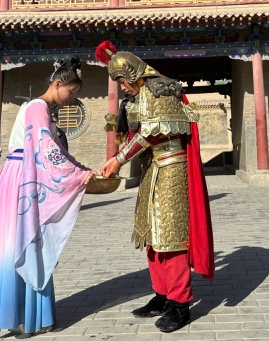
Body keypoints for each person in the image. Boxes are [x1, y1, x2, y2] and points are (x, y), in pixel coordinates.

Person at [97, 41, 214, 334]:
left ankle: (180, 303)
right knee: (151, 234)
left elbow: (150, 133)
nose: (122, 87)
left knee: (171, 238)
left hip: (172, 170)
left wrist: (118, 160)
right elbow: (132, 132)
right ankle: (163, 293)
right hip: (152, 168)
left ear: (134, 74)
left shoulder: (161, 90)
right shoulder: (139, 96)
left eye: (123, 81)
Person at [0, 57, 97, 338]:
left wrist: (83, 170)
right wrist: (76, 175)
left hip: (25, 173)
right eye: (71, 92)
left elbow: (58, 149)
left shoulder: (45, 111)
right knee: (25, 240)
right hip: (23, 175)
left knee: (27, 239)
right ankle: (26, 316)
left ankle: (26, 314)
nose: (71, 99)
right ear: (58, 84)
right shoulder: (37, 107)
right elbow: (46, 149)